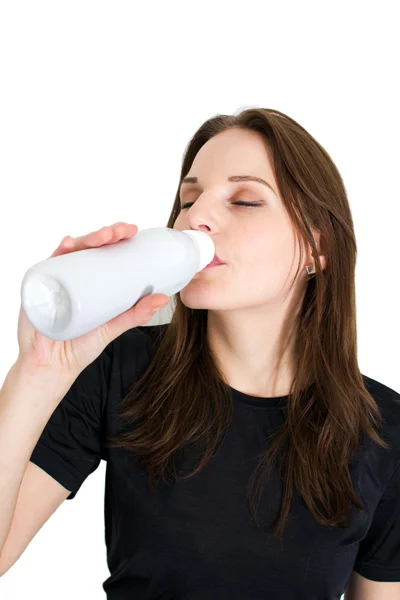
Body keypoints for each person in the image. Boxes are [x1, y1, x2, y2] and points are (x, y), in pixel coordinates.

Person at [0, 108, 399, 599]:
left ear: (318, 250)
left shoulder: (384, 433)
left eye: (246, 200)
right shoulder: (119, 370)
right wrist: (37, 370)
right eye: (189, 199)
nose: (195, 218)